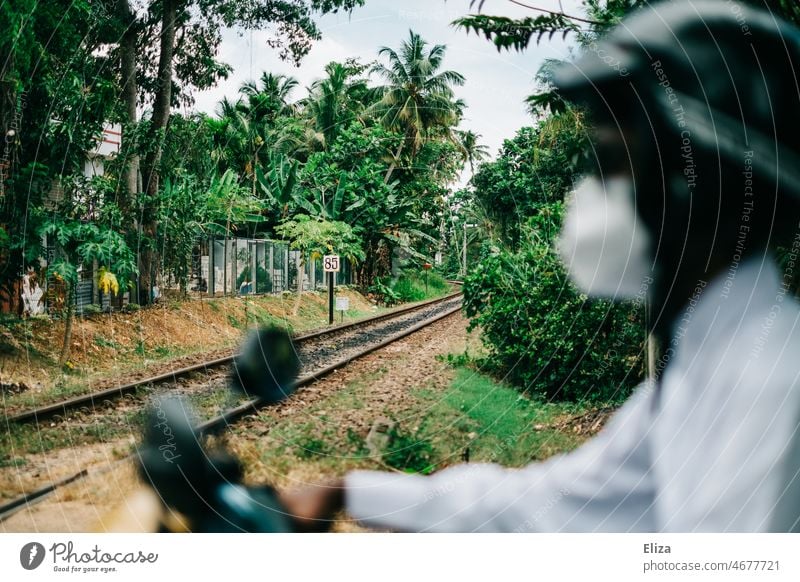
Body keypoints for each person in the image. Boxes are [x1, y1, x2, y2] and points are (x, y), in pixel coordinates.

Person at [279, 0, 800, 532]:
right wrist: (349, 491)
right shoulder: (700, 370)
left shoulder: (769, 383)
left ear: (692, 185)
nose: (591, 189)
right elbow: (551, 503)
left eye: (611, 161)